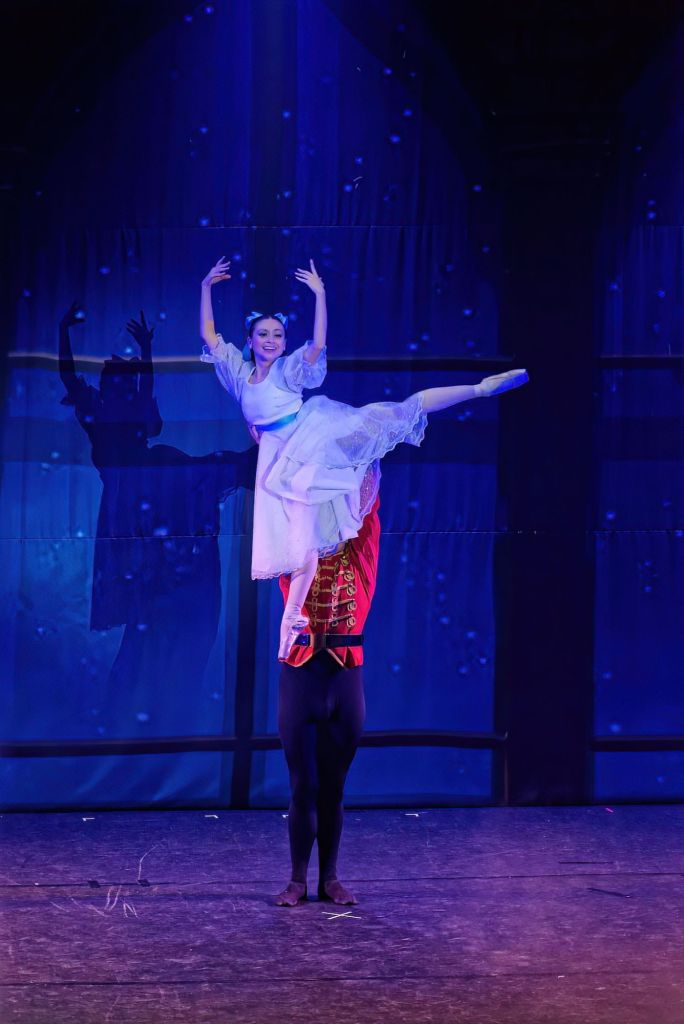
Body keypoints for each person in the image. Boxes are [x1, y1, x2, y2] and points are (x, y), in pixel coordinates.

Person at [199, 256, 528, 660]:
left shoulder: (286, 371)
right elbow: (210, 335)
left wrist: (319, 296)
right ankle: (291, 621)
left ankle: (480, 388)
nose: (271, 340)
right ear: (249, 340)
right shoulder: (239, 375)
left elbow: (316, 346)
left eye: (278, 335)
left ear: (284, 343)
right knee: (301, 543)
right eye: (263, 334)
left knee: (398, 413)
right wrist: (206, 287)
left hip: (312, 442)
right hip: (280, 461)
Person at [275, 487, 380, 907]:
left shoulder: (360, 554)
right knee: (304, 785)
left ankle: (330, 878)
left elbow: (368, 498)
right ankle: (297, 880)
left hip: (344, 679)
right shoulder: (294, 559)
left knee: (334, 787)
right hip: (301, 677)